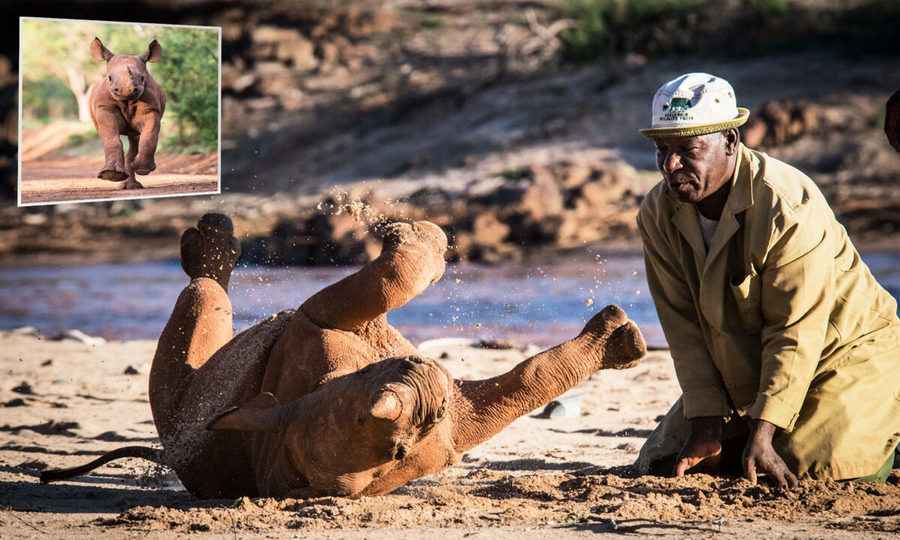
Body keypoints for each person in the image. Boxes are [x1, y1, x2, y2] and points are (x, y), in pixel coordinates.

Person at [633, 73, 900, 488]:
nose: (670, 165)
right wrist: (706, 426)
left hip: (843, 352)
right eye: (662, 150)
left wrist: (763, 431)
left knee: (819, 470)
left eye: (688, 149)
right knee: (663, 461)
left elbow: (796, 329)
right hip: (751, 364)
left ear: (731, 143)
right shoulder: (658, 212)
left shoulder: (786, 204)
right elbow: (683, 329)